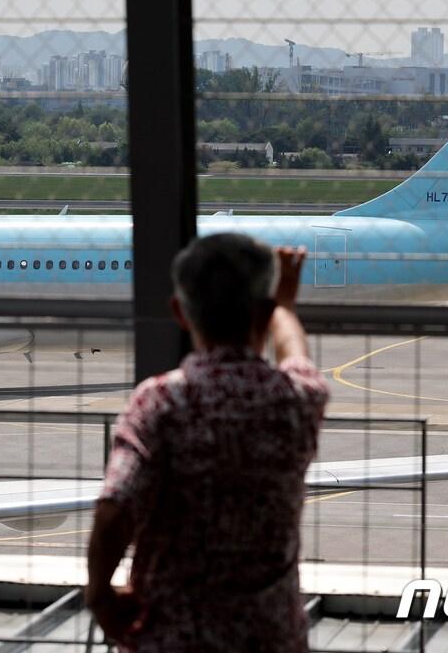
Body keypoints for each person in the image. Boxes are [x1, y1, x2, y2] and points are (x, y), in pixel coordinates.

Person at [86, 234, 328, 652]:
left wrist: (100, 594)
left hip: (173, 637)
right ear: (264, 313)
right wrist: (284, 305)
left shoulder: (160, 401)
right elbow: (296, 355)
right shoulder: (296, 398)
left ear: (179, 313)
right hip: (269, 637)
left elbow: (115, 510)